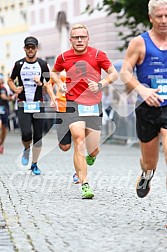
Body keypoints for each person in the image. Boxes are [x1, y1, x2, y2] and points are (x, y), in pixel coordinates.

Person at [46, 24, 118, 199]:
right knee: (79, 141)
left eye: (82, 37)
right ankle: (84, 183)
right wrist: (60, 83)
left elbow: (114, 74)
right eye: (76, 37)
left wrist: (101, 84)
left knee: (93, 150)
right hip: (73, 104)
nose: (79, 40)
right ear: (71, 40)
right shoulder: (64, 57)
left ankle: (90, 159)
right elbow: (53, 73)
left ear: (88, 38)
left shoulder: (98, 55)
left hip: (94, 105)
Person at [120, 0, 167, 198]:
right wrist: (142, 90)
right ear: (151, 18)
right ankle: (146, 175)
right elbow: (124, 73)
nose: (164, 20)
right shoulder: (139, 43)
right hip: (147, 108)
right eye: (159, 16)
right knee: (150, 164)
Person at [8, 36, 50, 175]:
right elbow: (10, 80)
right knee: (26, 133)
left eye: (33, 47)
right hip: (23, 104)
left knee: (38, 136)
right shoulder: (19, 64)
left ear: (37, 49)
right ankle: (26, 150)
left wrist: (41, 83)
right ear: (24, 49)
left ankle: (35, 164)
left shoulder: (43, 64)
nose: (30, 49)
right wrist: (15, 89)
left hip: (38, 104)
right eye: (28, 47)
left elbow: (50, 83)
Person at [0, 75, 15, 153]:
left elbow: (6, 96)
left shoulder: (5, 87)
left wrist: (11, 97)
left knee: (4, 127)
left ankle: (1, 144)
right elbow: (3, 96)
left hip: (4, 109)